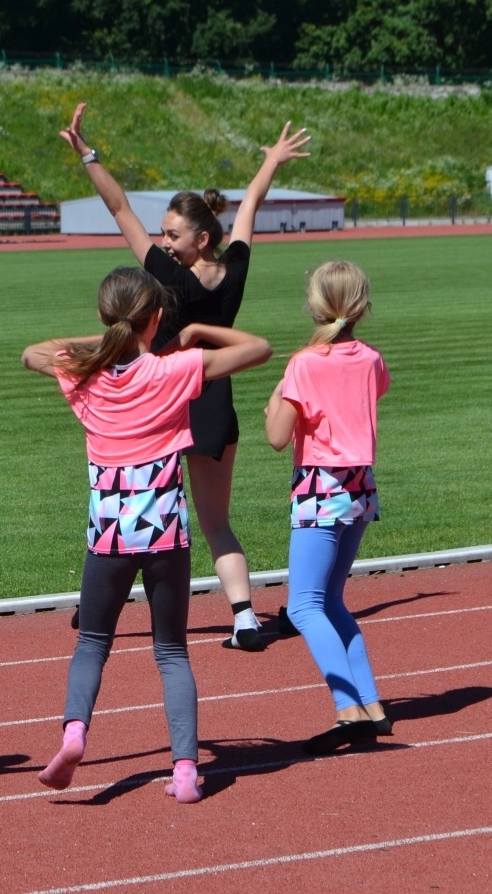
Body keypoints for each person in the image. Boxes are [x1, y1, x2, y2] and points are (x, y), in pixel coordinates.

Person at [59, 103, 309, 651]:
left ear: (200, 239)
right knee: (216, 520)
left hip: (165, 402)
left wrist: (88, 156)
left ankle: (94, 607)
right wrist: (271, 161)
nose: (164, 242)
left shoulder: (167, 276)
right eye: (163, 235)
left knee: (130, 504)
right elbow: (252, 206)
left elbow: (118, 206)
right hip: (216, 402)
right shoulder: (236, 268)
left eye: (173, 234)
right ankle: (245, 617)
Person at [23, 267, 272, 802]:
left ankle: (74, 732)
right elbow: (260, 348)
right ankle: (185, 770)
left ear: (104, 317)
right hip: (165, 533)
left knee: (92, 643)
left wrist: (103, 338)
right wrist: (197, 333)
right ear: (155, 319)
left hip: (109, 537)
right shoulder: (174, 369)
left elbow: (32, 353)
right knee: (172, 652)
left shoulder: (83, 376)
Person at [263, 260, 391, 755]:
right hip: (360, 488)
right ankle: (372, 704)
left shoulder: (304, 364)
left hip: (321, 487)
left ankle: (347, 707)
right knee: (332, 600)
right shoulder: (371, 358)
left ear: (314, 305)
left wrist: (278, 396)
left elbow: (276, 437)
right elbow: (372, 390)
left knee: (303, 605)